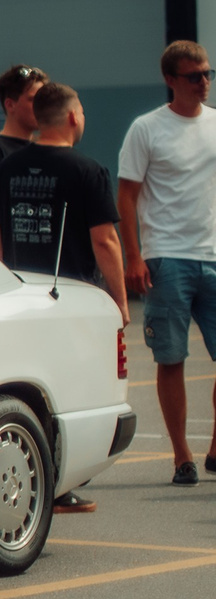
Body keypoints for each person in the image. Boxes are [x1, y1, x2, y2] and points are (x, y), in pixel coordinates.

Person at [0, 82, 126, 515]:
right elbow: (106, 242)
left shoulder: (8, 167)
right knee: (74, 395)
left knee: (30, 390)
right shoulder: (88, 170)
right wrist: (118, 301)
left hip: (21, 294)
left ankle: (41, 479)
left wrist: (3, 280)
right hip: (72, 299)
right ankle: (61, 482)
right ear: (73, 117)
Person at [118, 40, 216, 485]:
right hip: (167, 257)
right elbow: (127, 196)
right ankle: (182, 455)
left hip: (213, 256)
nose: (204, 82)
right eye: (194, 75)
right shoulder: (147, 129)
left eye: (208, 74)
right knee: (171, 359)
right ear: (171, 80)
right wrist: (134, 256)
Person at [0, 64, 48, 223]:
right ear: (10, 104)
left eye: (43, 99)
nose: (41, 106)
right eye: (33, 99)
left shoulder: (42, 150)